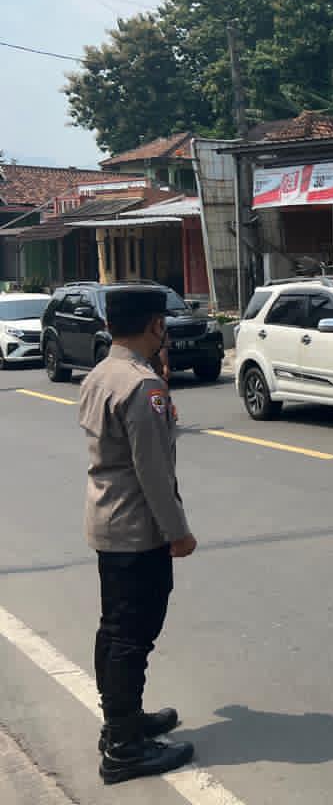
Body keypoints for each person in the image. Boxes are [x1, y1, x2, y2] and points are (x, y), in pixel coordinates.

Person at [78, 287, 197, 785]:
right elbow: (153, 471)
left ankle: (120, 722)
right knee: (132, 635)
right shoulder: (142, 385)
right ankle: (125, 749)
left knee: (115, 630)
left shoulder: (101, 373)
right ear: (155, 326)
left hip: (108, 520)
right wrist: (178, 532)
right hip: (138, 528)